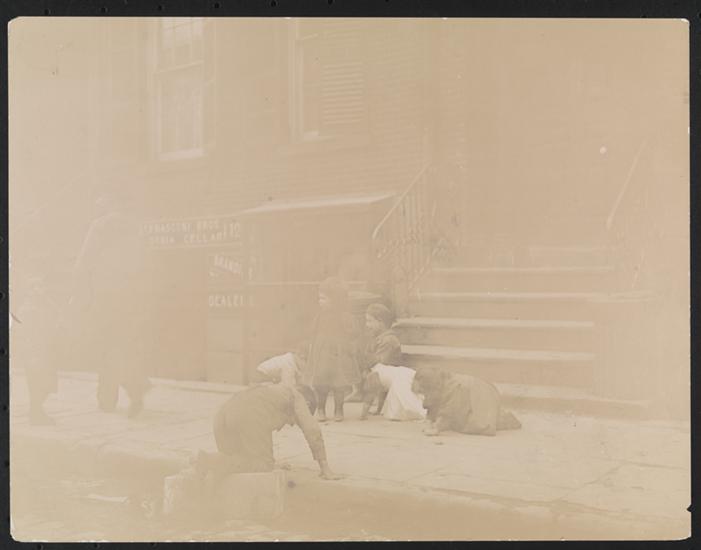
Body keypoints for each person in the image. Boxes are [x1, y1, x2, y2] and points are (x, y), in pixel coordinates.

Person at [71, 192, 151, 418]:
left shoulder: (100, 225)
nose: (98, 204)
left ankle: (108, 399)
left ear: (111, 202)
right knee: (125, 345)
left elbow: (84, 261)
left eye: (102, 200)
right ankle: (136, 390)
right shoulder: (135, 227)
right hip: (131, 297)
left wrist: (80, 293)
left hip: (105, 296)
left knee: (106, 348)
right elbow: (143, 263)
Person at [194, 384, 340, 485]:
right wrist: (325, 468)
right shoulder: (297, 397)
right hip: (248, 413)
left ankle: (206, 466)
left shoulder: (272, 392)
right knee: (263, 465)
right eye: (295, 421)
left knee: (236, 458)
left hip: (223, 414)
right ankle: (209, 460)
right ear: (307, 404)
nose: (291, 424)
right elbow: (312, 430)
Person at [302, 277, 361, 423]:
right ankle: (321, 409)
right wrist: (312, 348)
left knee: (339, 385)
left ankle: (338, 409)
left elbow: (353, 333)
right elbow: (313, 332)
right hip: (322, 355)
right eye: (319, 298)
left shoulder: (345, 317)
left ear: (336, 300)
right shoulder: (320, 316)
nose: (320, 301)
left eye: (323, 298)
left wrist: (348, 344)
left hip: (339, 355)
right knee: (320, 383)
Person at [411, 367, 522, 436]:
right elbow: (432, 401)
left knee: (477, 424)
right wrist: (429, 419)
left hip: (480, 393)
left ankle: (504, 419)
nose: (423, 394)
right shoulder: (439, 383)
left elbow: (449, 410)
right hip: (473, 390)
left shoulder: (455, 387)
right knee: (459, 420)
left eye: (423, 391)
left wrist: (436, 428)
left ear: (429, 386)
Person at [13, 276, 61, 425]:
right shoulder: (27, 308)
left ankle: (36, 412)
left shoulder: (47, 305)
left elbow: (55, 320)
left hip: (47, 350)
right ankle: (36, 414)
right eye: (35, 287)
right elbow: (22, 332)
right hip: (34, 351)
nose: (39, 289)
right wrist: (29, 352)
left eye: (41, 286)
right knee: (36, 383)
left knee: (48, 383)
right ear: (29, 290)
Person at [361, 363, 426, 422]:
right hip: (406, 372)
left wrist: (363, 415)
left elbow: (369, 397)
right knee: (414, 397)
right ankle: (425, 410)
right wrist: (378, 410)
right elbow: (382, 395)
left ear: (366, 371)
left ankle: (423, 413)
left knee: (407, 403)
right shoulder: (379, 368)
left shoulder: (373, 375)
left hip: (401, 378)